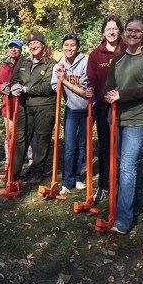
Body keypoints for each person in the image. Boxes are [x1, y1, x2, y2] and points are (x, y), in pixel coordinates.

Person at [104, 15, 143, 235]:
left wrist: (122, 95)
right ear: (124, 32)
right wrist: (109, 95)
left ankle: (124, 219)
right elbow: (109, 85)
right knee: (120, 165)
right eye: (129, 30)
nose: (132, 34)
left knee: (127, 166)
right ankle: (130, 204)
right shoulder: (118, 59)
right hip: (116, 118)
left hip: (137, 118)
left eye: (137, 31)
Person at [87, 15, 127, 203]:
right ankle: (104, 185)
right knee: (104, 147)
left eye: (115, 28)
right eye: (108, 28)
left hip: (124, 106)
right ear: (103, 31)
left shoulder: (127, 50)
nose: (111, 32)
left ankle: (120, 185)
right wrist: (91, 90)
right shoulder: (96, 54)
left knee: (121, 148)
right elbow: (92, 79)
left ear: (120, 31)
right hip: (104, 107)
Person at [9, 29, 56, 181]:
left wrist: (26, 89)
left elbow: (48, 86)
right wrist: (14, 87)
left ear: (43, 45)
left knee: (42, 138)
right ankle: (13, 172)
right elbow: (14, 78)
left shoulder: (51, 63)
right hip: (24, 106)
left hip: (45, 106)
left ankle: (36, 171)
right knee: (21, 138)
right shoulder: (23, 61)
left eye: (36, 42)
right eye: (30, 43)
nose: (33, 46)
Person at [51, 33, 93, 195]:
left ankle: (77, 177)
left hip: (87, 109)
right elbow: (55, 86)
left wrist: (65, 80)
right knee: (69, 145)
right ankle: (67, 180)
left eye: (72, 45)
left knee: (82, 145)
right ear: (62, 46)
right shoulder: (59, 64)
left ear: (77, 47)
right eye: (66, 45)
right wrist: (58, 81)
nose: (69, 48)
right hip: (71, 109)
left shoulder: (85, 63)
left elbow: (85, 92)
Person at [0, 39, 34, 172]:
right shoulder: (4, 65)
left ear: (21, 49)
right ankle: (9, 160)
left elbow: (30, 82)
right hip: (8, 106)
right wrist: (1, 88)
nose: (13, 50)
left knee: (26, 132)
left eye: (16, 47)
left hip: (24, 104)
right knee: (10, 134)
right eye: (11, 47)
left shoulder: (27, 63)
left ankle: (31, 160)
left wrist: (21, 88)